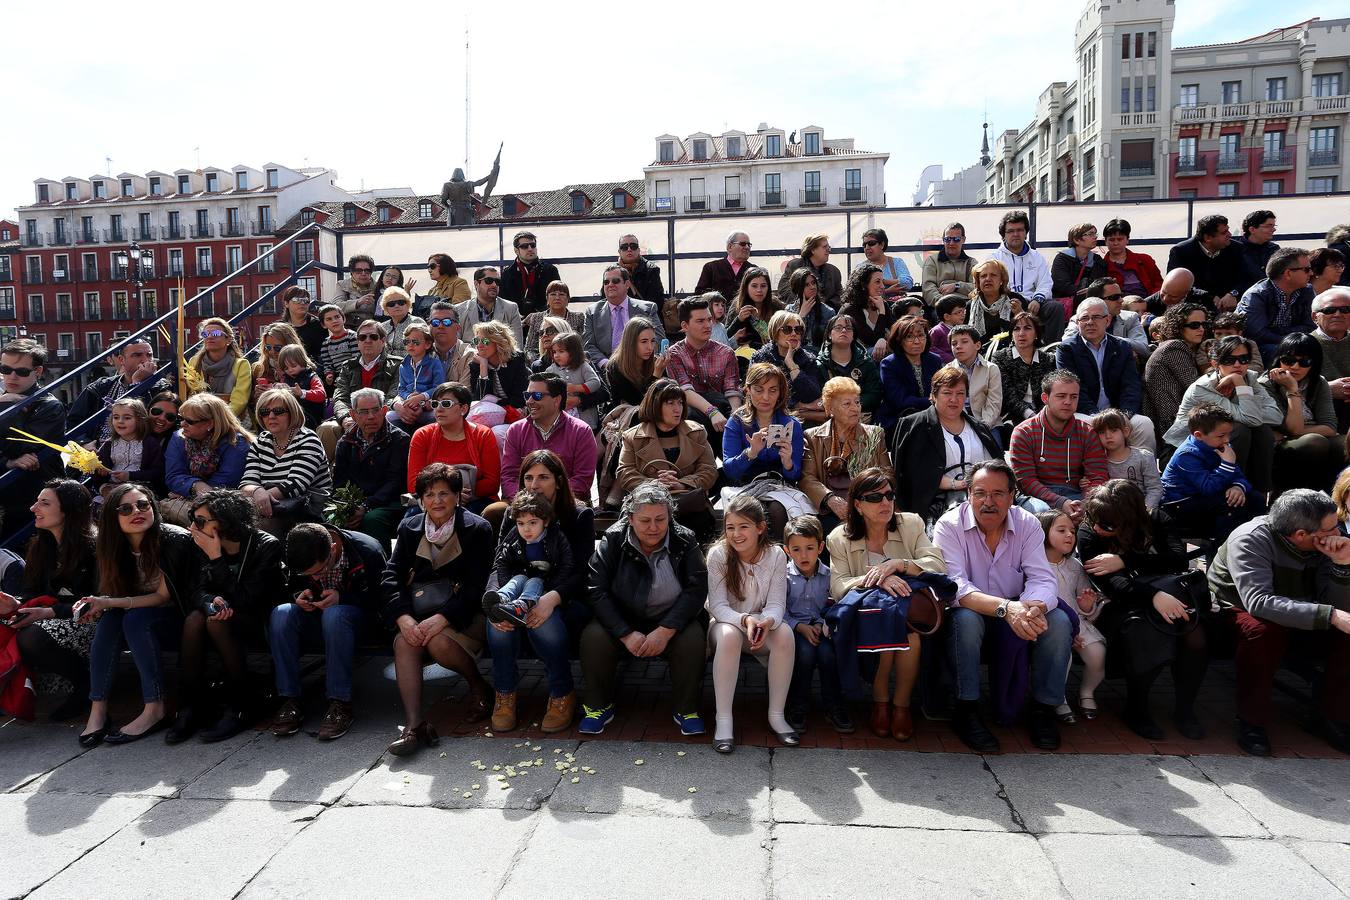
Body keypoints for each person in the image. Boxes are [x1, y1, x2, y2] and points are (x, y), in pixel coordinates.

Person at [933, 459, 1071, 752]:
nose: (988, 502)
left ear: (1012, 496)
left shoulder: (1028, 523)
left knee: (1058, 623)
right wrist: (1007, 609)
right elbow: (954, 587)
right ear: (969, 494)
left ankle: (1043, 709)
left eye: (998, 494)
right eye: (980, 493)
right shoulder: (949, 525)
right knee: (965, 621)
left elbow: (1043, 579)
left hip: (1018, 606)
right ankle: (966, 708)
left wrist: (1032, 608)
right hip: (974, 609)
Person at [1209, 489, 1350, 756]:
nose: (1339, 533)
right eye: (1332, 528)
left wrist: (1342, 566)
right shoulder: (1251, 540)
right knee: (1263, 632)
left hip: (1301, 610)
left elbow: (1338, 605)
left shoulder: (1325, 546)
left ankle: (1332, 716)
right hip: (1236, 611)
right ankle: (1252, 721)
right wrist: (1330, 615)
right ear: (1301, 535)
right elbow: (1259, 602)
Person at [1076, 480, 1209, 739]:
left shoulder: (1156, 519)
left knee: (1196, 637)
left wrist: (1125, 560)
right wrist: (1154, 596)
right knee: (1144, 631)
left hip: (1168, 594)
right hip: (1119, 603)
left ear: (1130, 518)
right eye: (1094, 518)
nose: (1097, 528)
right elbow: (1112, 584)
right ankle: (1137, 709)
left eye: (1108, 525)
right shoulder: (1089, 533)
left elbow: (1177, 558)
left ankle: (1185, 709)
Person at [382, 463, 496, 756]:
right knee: (404, 641)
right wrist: (403, 617)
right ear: (421, 499)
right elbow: (391, 576)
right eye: (430, 494)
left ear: (458, 496)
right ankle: (414, 726)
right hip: (419, 611)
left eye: (445, 493)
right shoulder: (409, 527)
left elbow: (475, 587)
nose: (437, 501)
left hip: (464, 614)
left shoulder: (477, 528)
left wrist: (442, 618)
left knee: (438, 640)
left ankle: (479, 687)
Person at [580, 480, 708, 737]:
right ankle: (597, 706)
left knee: (693, 639)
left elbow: (696, 590)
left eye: (660, 519)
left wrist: (666, 629)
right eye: (645, 520)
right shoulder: (613, 539)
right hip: (624, 617)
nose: (653, 528)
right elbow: (596, 589)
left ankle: (686, 708)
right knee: (594, 638)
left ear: (669, 515)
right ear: (630, 518)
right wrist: (626, 633)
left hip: (670, 618)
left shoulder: (685, 539)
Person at [827, 467, 946, 741]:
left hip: (908, 611)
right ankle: (880, 703)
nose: (885, 503)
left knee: (908, 636)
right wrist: (876, 579)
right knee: (887, 628)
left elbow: (937, 564)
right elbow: (838, 585)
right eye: (875, 498)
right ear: (857, 504)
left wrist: (899, 565)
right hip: (866, 613)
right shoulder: (838, 538)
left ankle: (901, 706)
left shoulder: (911, 524)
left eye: (890, 495)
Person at [79, 485, 197, 747]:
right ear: (113, 517)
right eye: (126, 508)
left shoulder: (174, 540)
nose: (137, 512)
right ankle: (97, 710)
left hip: (180, 620)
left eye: (143, 505)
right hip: (138, 617)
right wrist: (97, 605)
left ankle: (154, 707)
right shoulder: (110, 547)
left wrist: (110, 602)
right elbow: (111, 593)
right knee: (110, 621)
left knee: (134, 618)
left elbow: (162, 598)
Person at [168, 489, 283, 744]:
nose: (193, 527)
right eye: (193, 519)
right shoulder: (200, 544)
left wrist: (216, 557)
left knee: (215, 623)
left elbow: (248, 600)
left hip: (258, 619)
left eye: (200, 521)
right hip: (222, 616)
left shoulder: (265, 546)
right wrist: (211, 602)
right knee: (196, 619)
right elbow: (196, 590)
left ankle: (242, 704)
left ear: (226, 520)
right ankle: (192, 704)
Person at [271, 519, 384, 741]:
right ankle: (289, 698)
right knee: (281, 613)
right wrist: (299, 596)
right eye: (308, 575)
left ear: (332, 549)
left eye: (319, 570)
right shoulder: (296, 550)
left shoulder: (367, 550)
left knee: (336, 614)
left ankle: (340, 702)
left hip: (360, 622)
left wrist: (343, 598)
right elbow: (286, 588)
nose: (316, 578)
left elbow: (383, 600)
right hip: (316, 619)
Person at [705, 494, 797, 752]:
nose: (736, 534)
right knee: (729, 636)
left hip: (760, 623)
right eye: (730, 527)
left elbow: (778, 603)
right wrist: (744, 620)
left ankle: (776, 715)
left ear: (760, 527)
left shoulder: (776, 555)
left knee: (785, 635)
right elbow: (718, 606)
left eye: (743, 526)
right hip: (727, 624)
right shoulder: (718, 555)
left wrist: (768, 620)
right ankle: (723, 720)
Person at [1, 480, 98, 721]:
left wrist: (49, 612)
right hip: (54, 617)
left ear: (69, 510)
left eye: (44, 503)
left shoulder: (96, 546)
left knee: (31, 636)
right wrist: (16, 603)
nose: (34, 508)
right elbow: (32, 592)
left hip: (93, 618)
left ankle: (84, 684)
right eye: (36, 501)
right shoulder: (41, 546)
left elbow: (98, 601)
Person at [483, 490, 578, 733]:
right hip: (517, 588)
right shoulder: (514, 537)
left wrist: (552, 593)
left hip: (544, 593)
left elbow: (567, 567)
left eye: (533, 523)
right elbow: (501, 562)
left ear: (545, 520)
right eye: (521, 523)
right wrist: (508, 586)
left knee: (534, 584)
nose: (526, 529)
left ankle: (561, 693)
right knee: (514, 588)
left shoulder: (557, 538)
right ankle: (504, 694)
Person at [1162, 336, 1278, 495]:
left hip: (1221, 441)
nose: (1238, 365)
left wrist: (1241, 385)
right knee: (1240, 429)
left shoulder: (1249, 378)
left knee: (1262, 431)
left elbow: (1276, 415)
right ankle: (1232, 489)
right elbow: (1252, 419)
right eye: (1230, 360)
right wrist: (1240, 384)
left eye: (1244, 359)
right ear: (1215, 363)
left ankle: (1259, 493)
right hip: (1192, 447)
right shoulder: (1202, 389)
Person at [893, 366, 1002, 525]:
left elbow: (995, 466)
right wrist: (956, 484)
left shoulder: (978, 427)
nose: (954, 399)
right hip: (933, 503)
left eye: (960, 393)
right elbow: (911, 475)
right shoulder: (913, 426)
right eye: (947, 393)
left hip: (982, 498)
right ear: (933, 396)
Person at [614, 379, 717, 538]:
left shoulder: (697, 432)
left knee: (699, 524)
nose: (678, 409)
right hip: (647, 503)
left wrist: (682, 483)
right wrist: (654, 485)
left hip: (688, 503)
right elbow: (625, 473)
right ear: (655, 405)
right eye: (670, 403)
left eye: (680, 403)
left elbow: (709, 470)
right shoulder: (633, 437)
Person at [1057, 298, 1155, 452]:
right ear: (1077, 323)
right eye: (1084, 318)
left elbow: (1131, 386)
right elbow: (1074, 390)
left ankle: (1140, 473)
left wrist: (1124, 415)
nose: (1090, 322)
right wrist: (1098, 417)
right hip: (1084, 413)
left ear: (1108, 320)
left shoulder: (1122, 347)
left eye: (1096, 317)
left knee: (1144, 424)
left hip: (1118, 412)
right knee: (1082, 425)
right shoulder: (1067, 349)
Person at [781, 516, 851, 733]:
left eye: (810, 548)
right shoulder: (782, 577)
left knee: (829, 656)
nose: (804, 555)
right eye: (797, 549)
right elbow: (778, 609)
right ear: (787, 551)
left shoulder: (830, 575)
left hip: (822, 630)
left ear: (820, 547)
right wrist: (799, 627)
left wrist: (821, 623)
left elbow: (834, 603)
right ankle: (797, 706)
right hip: (793, 630)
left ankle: (834, 706)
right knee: (805, 655)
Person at [721, 363, 806, 538]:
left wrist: (788, 462)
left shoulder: (791, 424)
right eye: (759, 390)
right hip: (746, 486)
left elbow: (795, 475)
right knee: (752, 511)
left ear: (780, 392)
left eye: (772, 390)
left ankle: (779, 559)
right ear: (748, 390)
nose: (765, 397)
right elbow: (729, 470)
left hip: (780, 486)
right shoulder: (736, 422)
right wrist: (750, 453)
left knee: (777, 509)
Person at [1008, 370, 1108, 520]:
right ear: (1045, 398)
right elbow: (1026, 482)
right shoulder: (1024, 432)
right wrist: (1061, 503)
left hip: (1077, 496)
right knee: (1044, 512)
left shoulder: (1087, 431)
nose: (1068, 402)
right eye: (1061, 396)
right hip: (1037, 498)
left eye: (1074, 397)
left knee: (1108, 507)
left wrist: (1086, 504)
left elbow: (1097, 475)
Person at [801, 377, 891, 536]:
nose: (855, 408)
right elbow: (807, 478)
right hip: (830, 507)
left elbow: (886, 474)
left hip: (868, 504)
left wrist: (868, 499)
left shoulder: (875, 434)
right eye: (847, 404)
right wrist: (830, 500)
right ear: (830, 409)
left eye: (857, 402)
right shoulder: (812, 436)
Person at [1160, 402, 1261, 545]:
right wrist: (1227, 464)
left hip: (1205, 498)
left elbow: (1237, 475)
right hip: (1179, 505)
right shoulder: (1187, 455)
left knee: (1254, 498)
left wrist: (1238, 487)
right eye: (1221, 435)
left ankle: (1256, 544)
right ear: (1199, 435)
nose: (1227, 440)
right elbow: (1208, 488)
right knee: (1230, 506)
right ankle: (1221, 551)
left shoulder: (1221, 446)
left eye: (1229, 434)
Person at [1037, 509, 1103, 724]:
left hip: (1078, 623)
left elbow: (1083, 600)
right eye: (1061, 530)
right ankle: (1057, 698)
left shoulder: (1075, 566)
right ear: (1043, 532)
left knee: (1097, 654)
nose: (1069, 535)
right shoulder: (1035, 565)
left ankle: (1087, 692)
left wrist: (1086, 605)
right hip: (1051, 625)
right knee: (1061, 656)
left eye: (1072, 531)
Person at [0, 339, 67, 540]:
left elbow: (18, 445)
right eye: (5, 369)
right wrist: (7, 462)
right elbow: (13, 453)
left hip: (35, 495)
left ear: (37, 372)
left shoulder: (50, 406)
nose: (11, 376)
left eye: (21, 371)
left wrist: (7, 407)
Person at [1260, 332, 1344, 492]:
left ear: (1314, 363)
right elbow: (1293, 427)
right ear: (1279, 360)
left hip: (1302, 438)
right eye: (1288, 360)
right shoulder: (1266, 385)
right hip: (1279, 447)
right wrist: (1292, 389)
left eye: (1304, 361)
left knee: (1344, 444)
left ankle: (1330, 495)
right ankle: (1286, 495)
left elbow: (1330, 427)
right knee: (1315, 442)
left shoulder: (1319, 382)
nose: (1295, 367)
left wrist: (1293, 432)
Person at [240, 390, 331, 537]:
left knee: (255, 529)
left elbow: (296, 484)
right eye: (264, 412)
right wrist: (258, 492)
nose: (271, 416)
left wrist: (260, 499)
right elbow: (247, 481)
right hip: (270, 507)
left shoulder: (308, 439)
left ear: (292, 413)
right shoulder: (260, 441)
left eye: (278, 411)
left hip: (306, 511)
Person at [501, 373, 597, 503]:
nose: (529, 401)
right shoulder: (515, 430)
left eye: (537, 396)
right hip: (523, 504)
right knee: (493, 512)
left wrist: (549, 500)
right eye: (527, 395)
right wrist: (526, 502)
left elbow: (582, 480)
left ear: (556, 400)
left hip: (566, 504)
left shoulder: (581, 431)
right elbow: (509, 477)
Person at [333, 387, 410, 547]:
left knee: (373, 519)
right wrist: (347, 508)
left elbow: (394, 482)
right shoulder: (346, 442)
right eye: (363, 412)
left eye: (376, 410)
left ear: (384, 411)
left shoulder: (399, 440)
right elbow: (340, 482)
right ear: (353, 414)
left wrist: (367, 506)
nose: (371, 417)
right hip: (359, 501)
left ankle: (381, 567)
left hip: (391, 501)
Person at [407, 382, 499, 513]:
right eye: (435, 404)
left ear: (463, 409)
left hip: (474, 499)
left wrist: (460, 494)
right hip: (432, 500)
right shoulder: (422, 435)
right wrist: (449, 495)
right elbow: (413, 484)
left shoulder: (483, 434)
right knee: (411, 520)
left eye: (446, 404)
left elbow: (492, 483)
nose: (438, 409)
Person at [162, 393, 251, 525]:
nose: (182, 424)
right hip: (195, 499)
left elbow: (227, 481)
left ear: (210, 423)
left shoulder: (236, 442)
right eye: (181, 418)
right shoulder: (178, 438)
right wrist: (196, 485)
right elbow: (173, 475)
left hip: (223, 503)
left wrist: (189, 492)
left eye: (190, 421)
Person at [318, 319, 400, 460]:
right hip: (352, 418)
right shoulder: (347, 367)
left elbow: (393, 396)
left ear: (383, 340)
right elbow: (340, 397)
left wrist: (370, 417)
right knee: (326, 429)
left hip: (380, 419)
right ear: (358, 341)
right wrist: (345, 418)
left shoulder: (397, 365)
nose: (367, 341)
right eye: (362, 337)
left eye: (373, 337)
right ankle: (329, 477)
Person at [65, 337, 169, 443]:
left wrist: (137, 384)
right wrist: (84, 443)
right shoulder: (100, 387)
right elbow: (74, 421)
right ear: (121, 360)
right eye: (137, 355)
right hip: (98, 449)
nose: (145, 360)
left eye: (149, 355)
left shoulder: (162, 388)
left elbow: (148, 424)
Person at [664, 295, 743, 433]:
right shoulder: (674, 354)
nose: (707, 325)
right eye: (700, 321)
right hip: (691, 416)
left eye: (709, 319)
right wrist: (712, 412)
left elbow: (732, 390)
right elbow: (685, 391)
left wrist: (735, 417)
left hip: (722, 411)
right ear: (685, 326)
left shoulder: (726, 353)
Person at [990, 210, 1063, 342]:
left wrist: (1038, 299)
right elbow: (990, 286)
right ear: (1003, 235)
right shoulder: (995, 258)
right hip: (1007, 303)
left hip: (1033, 303)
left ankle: (1052, 350)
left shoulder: (1036, 256)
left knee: (1055, 308)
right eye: (1011, 231)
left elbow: (1045, 283)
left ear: (1026, 232)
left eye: (1020, 230)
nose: (1016, 234)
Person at [1143, 303, 1211, 440]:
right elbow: (1198, 388)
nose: (1201, 329)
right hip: (1173, 424)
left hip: (1184, 419)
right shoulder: (1174, 347)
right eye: (1194, 325)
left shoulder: (1183, 347)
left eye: (1204, 324)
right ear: (1178, 326)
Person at [1237, 246, 1315, 364]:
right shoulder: (1256, 295)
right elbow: (1258, 335)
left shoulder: (1307, 291)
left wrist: (1279, 332)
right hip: (1260, 350)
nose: (1311, 273)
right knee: (1278, 352)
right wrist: (1291, 341)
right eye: (1306, 269)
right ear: (1288, 273)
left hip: (1294, 344)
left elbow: (1311, 326)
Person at [582, 264, 665, 369]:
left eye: (615, 281)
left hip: (640, 368)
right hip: (605, 370)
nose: (610, 284)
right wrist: (607, 364)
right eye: (606, 282)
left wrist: (638, 360)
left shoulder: (647, 309)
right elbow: (588, 345)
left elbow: (659, 339)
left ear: (627, 284)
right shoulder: (592, 312)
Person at [750, 310, 825, 423]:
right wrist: (796, 405)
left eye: (798, 330)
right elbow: (759, 394)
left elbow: (813, 396)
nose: (794, 333)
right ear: (775, 333)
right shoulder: (761, 357)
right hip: (767, 417)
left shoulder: (808, 359)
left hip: (802, 423)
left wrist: (791, 364)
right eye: (787, 329)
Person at [877, 315, 942, 431]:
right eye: (909, 337)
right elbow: (900, 400)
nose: (917, 341)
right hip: (900, 419)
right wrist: (933, 401)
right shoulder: (889, 364)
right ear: (899, 340)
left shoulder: (934, 360)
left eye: (921, 335)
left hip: (932, 415)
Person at [1167, 215, 1244, 312]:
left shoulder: (1237, 249)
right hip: (1194, 308)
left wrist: (1233, 293)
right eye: (1224, 232)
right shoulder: (1181, 252)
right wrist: (1208, 297)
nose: (1230, 234)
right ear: (1207, 237)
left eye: (1228, 230)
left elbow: (1246, 277)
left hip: (1231, 308)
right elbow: (1176, 285)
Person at [91, 398, 165, 499]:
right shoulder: (108, 444)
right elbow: (97, 477)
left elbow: (158, 472)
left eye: (127, 418)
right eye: (116, 417)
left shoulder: (149, 443)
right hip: (113, 489)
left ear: (139, 420)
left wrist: (130, 475)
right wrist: (99, 471)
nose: (120, 421)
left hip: (142, 489)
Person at [1062, 277, 1149, 361]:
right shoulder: (1080, 320)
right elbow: (1067, 345)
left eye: (1121, 296)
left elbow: (1144, 348)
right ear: (1096, 301)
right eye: (1115, 297)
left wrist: (1108, 339)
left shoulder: (1130, 318)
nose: (1121, 300)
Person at [815, 314, 882, 421]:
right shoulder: (819, 365)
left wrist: (850, 404)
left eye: (849, 328)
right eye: (838, 328)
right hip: (829, 419)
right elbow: (818, 397)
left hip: (862, 416)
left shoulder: (866, 362)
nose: (844, 331)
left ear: (853, 335)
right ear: (829, 334)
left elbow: (875, 394)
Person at [1093, 409, 1163, 510]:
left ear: (1125, 431)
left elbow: (1155, 488)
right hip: (1114, 512)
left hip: (1143, 509)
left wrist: (1145, 510)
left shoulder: (1144, 457)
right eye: (1102, 432)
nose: (1108, 436)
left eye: (1114, 430)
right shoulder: (1099, 462)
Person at [993, 312, 1054, 427]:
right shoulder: (1000, 358)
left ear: (1036, 334)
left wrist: (1043, 414)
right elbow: (1008, 396)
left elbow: (1050, 393)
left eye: (1027, 328)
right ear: (1011, 335)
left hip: (1044, 414)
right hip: (1012, 416)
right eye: (1016, 329)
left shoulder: (1047, 359)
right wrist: (1031, 415)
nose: (1021, 333)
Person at [187, 318, 252, 419]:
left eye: (216, 333)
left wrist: (220, 420)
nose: (209, 337)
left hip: (230, 418)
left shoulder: (241, 364)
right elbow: (191, 394)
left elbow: (240, 400)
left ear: (229, 339)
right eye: (205, 334)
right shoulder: (194, 362)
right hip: (200, 417)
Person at [467, 320, 531, 423]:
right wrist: (483, 367)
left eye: (485, 341)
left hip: (516, 412)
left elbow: (520, 398)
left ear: (498, 342)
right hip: (489, 413)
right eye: (476, 341)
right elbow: (479, 401)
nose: (479, 345)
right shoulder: (476, 364)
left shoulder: (516, 360)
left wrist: (494, 402)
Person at [384, 322, 443, 433]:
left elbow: (439, 387)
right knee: (388, 417)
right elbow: (401, 389)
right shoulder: (403, 365)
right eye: (407, 342)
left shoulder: (434, 363)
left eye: (415, 342)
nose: (410, 345)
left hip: (427, 406)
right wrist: (410, 397)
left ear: (427, 344)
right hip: (409, 404)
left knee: (437, 416)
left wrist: (421, 397)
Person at [946, 325, 1002, 430]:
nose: (958, 346)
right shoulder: (947, 370)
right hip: (957, 423)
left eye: (964, 341)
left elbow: (994, 402)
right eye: (954, 344)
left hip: (988, 423)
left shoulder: (991, 369)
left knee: (993, 445)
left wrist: (984, 425)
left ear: (977, 345)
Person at [545, 332, 603, 430]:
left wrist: (576, 388)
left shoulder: (583, 366)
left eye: (561, 351)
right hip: (561, 419)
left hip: (585, 418)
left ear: (573, 352)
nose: (557, 355)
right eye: (554, 352)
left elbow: (595, 382)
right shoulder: (551, 370)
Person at [837, 263, 895, 362]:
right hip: (853, 355)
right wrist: (881, 312)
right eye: (877, 282)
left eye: (882, 282)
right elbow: (871, 340)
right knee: (883, 353)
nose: (882, 286)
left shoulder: (883, 304)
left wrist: (885, 340)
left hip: (875, 351)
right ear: (864, 285)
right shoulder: (850, 309)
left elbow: (896, 331)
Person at [456, 266, 525, 347]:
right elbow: (456, 346)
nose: (494, 285)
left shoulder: (511, 308)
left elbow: (517, 346)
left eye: (497, 281)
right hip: (471, 358)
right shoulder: (459, 310)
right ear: (476, 284)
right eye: (489, 281)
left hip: (501, 358)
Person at [1311, 287, 1350, 430]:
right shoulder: (1302, 344)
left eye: (1345, 310)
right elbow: (1288, 385)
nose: (1338, 314)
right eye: (1329, 310)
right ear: (1315, 317)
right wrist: (1326, 388)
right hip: (1321, 416)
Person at [605, 316, 665, 408]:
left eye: (652, 341)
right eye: (644, 341)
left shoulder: (656, 362)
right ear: (631, 342)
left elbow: (668, 397)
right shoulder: (616, 367)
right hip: (630, 417)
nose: (650, 347)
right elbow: (639, 403)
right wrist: (656, 375)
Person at [499, 231, 561, 318]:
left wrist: (538, 316)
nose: (530, 249)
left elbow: (558, 297)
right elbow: (502, 302)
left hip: (545, 320)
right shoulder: (507, 274)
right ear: (516, 251)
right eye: (524, 246)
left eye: (533, 245)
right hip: (516, 322)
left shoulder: (550, 270)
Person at [523, 282, 584, 366]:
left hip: (571, 362)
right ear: (547, 299)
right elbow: (529, 349)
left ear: (568, 299)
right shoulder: (536, 318)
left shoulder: (578, 317)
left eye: (562, 294)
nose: (557, 297)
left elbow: (582, 345)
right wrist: (540, 362)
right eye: (553, 294)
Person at [779, 233, 843, 309]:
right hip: (799, 313)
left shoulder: (834, 272)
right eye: (824, 247)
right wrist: (804, 304)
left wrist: (825, 309)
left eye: (828, 247)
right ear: (812, 250)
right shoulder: (794, 266)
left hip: (827, 317)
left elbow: (839, 295)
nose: (828, 250)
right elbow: (784, 292)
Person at [1102, 218, 1163, 298]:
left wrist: (1149, 302)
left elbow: (1159, 285)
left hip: (1149, 305)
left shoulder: (1145, 260)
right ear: (1106, 241)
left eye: (1120, 239)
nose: (1116, 243)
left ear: (1127, 240)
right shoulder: (1101, 266)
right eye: (1112, 240)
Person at [1051, 222, 1107, 307]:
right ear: (1077, 240)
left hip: (1091, 301)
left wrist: (1091, 291)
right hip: (1066, 303)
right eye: (1090, 234)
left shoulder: (1097, 260)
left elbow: (1100, 283)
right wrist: (1085, 292)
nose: (1095, 237)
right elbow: (1061, 285)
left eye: (1095, 234)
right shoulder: (1062, 259)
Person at [965, 259, 1022, 344]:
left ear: (1002, 280)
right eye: (983, 276)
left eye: (993, 275)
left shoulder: (1015, 300)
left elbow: (1028, 330)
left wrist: (1019, 313)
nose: (988, 279)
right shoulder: (970, 306)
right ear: (978, 281)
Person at [726, 266, 781, 352]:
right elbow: (725, 337)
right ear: (746, 287)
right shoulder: (737, 305)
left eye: (763, 286)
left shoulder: (776, 305)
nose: (759, 290)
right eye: (754, 286)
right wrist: (739, 320)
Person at [425, 300, 479, 386]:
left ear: (458, 328)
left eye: (447, 322)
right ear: (429, 326)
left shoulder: (469, 355)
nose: (440, 326)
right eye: (435, 322)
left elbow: (462, 393)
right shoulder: (422, 353)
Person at [921, 222, 975, 307]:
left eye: (956, 239)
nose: (951, 243)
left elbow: (978, 287)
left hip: (966, 306)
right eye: (947, 239)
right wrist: (944, 304)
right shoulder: (932, 261)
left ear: (963, 240)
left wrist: (957, 286)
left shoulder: (972, 263)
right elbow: (928, 289)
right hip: (940, 307)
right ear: (943, 240)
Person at [276, 344, 327, 429]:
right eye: (286, 368)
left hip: (310, 416)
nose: (290, 370)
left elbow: (321, 395)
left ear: (302, 362)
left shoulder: (312, 377)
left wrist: (302, 393)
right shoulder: (285, 379)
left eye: (294, 366)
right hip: (291, 416)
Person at [695, 230, 753, 303]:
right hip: (718, 313)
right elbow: (700, 295)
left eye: (749, 244)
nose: (747, 247)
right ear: (730, 246)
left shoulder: (753, 270)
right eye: (743, 244)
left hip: (746, 313)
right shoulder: (711, 268)